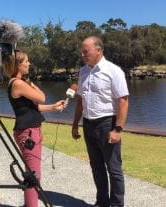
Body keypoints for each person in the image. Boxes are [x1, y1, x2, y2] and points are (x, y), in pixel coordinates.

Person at [3, 50, 67, 207]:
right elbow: (41, 96)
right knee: (33, 175)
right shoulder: (18, 83)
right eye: (26, 61)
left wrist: (53, 107)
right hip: (28, 133)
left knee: (32, 173)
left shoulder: (19, 82)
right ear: (18, 65)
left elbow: (34, 107)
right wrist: (30, 82)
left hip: (30, 131)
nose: (29, 63)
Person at [72, 36, 129, 207]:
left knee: (114, 169)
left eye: (86, 51)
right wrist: (75, 124)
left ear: (99, 50)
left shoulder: (113, 71)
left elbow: (123, 101)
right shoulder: (83, 72)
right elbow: (81, 100)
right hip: (88, 124)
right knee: (96, 167)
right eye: (81, 51)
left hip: (107, 124)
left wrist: (118, 129)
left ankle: (117, 204)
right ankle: (102, 202)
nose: (82, 54)